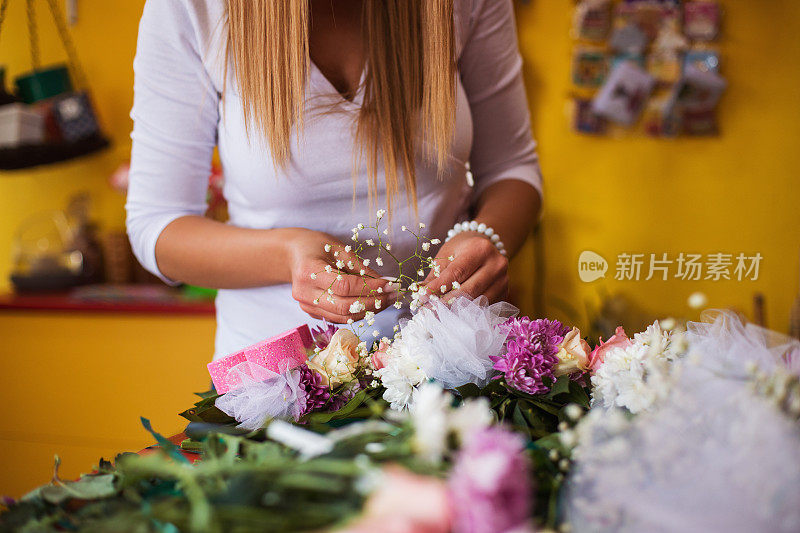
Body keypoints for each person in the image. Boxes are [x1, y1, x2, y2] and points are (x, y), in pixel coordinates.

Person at [126, 0, 542, 360]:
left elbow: (513, 168)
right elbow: (158, 226)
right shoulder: (189, 9)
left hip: (452, 360)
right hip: (278, 382)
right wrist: (288, 254)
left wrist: (486, 236)